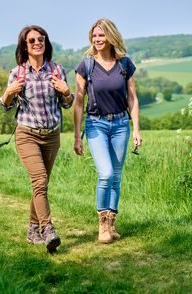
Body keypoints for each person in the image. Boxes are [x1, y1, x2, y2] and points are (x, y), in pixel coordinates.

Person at [0, 25, 74, 253]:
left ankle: (32, 229)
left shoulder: (57, 70)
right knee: (39, 180)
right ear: (25, 45)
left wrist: (66, 91)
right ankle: (48, 229)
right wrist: (9, 92)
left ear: (46, 42)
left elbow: (67, 103)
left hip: (51, 135)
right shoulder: (18, 73)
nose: (37, 43)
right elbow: (5, 105)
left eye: (40, 39)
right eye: (32, 40)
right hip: (27, 135)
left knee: (40, 185)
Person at [73, 18, 142, 243]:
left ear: (110, 37)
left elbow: (132, 98)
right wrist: (76, 135)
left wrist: (136, 129)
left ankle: (111, 224)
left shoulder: (125, 64)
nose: (97, 39)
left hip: (121, 125)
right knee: (105, 174)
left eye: (101, 35)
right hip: (96, 125)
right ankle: (102, 224)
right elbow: (79, 102)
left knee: (116, 177)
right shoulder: (86, 65)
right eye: (94, 36)